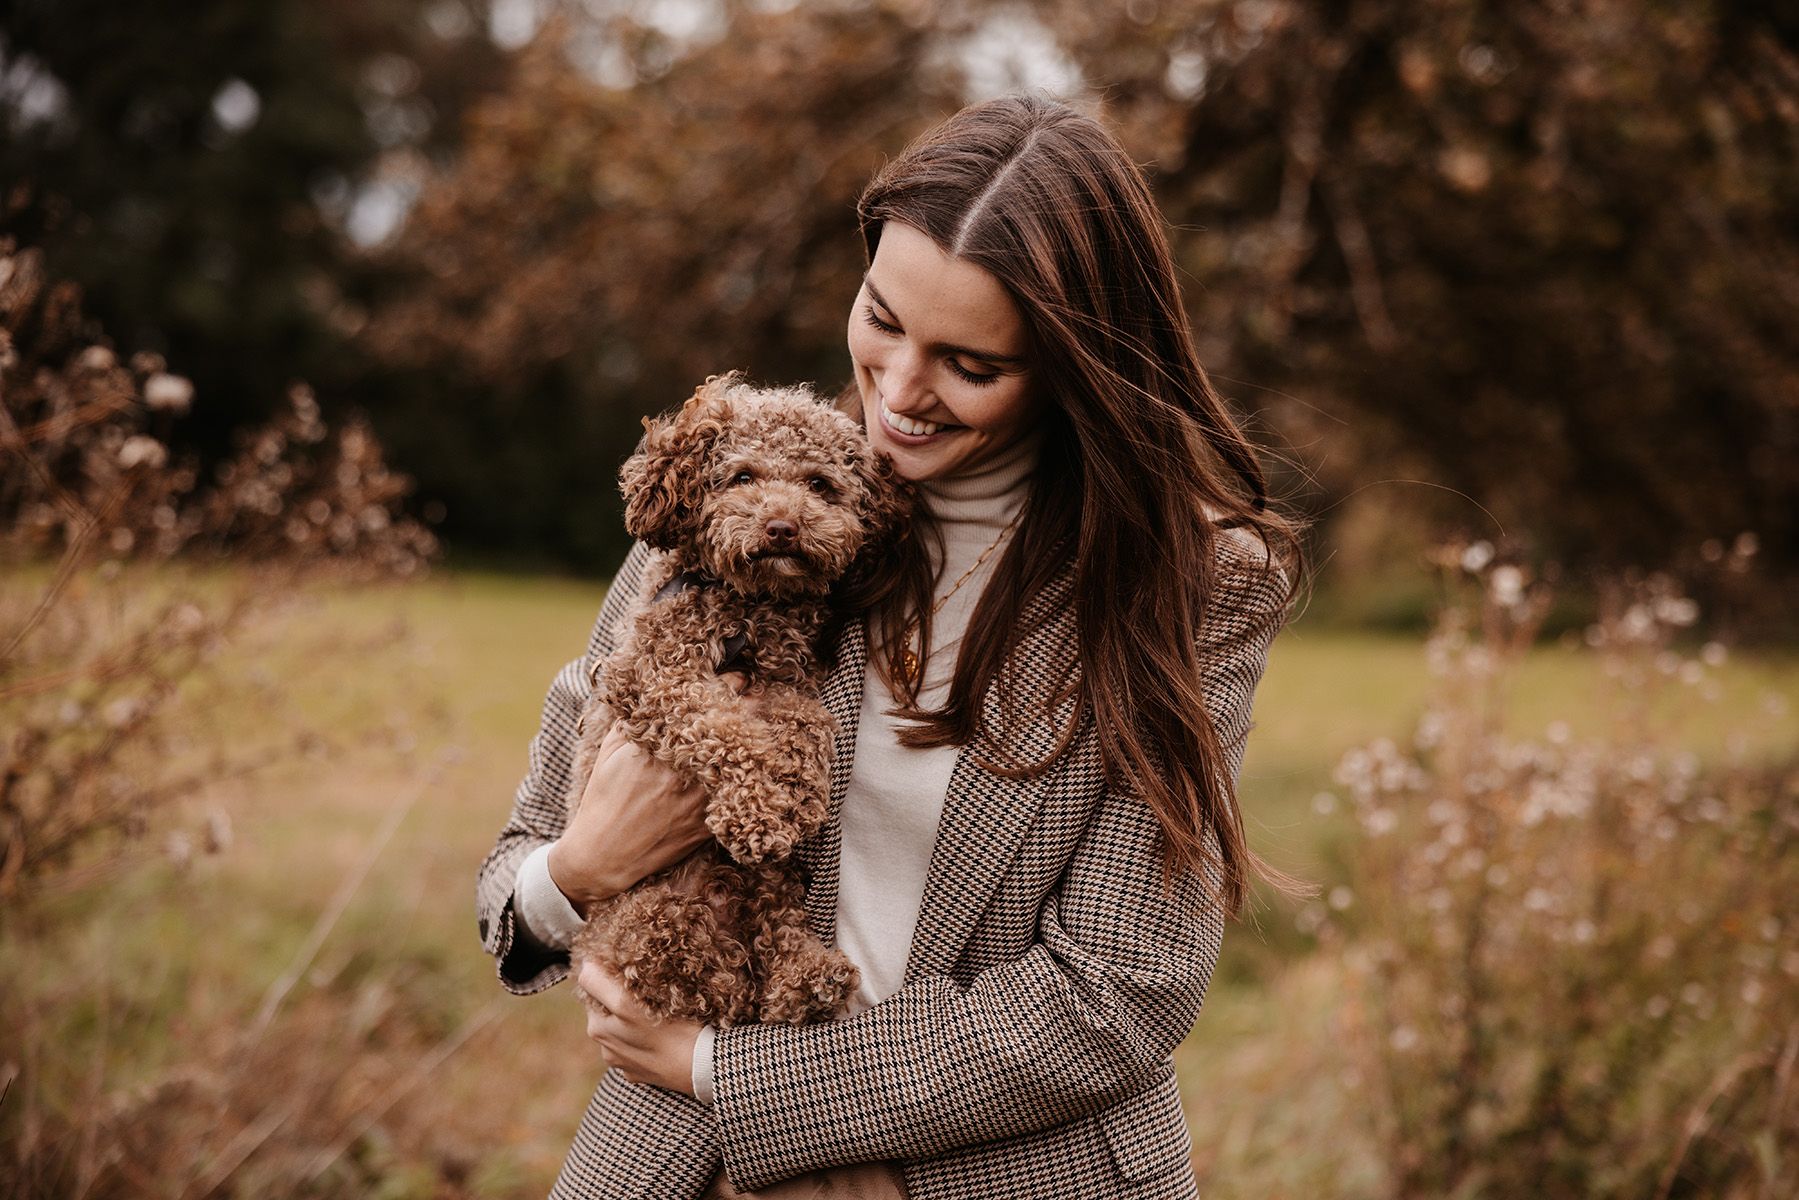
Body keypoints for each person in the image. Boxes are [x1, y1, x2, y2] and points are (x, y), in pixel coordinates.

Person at [475, 91, 1304, 1200]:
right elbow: (523, 854)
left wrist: (737, 1074)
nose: (899, 394)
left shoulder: (1193, 586)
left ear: (1073, 364)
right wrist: (575, 873)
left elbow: (1121, 986)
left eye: (970, 365)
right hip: (674, 1164)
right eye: (880, 318)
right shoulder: (737, 498)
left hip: (1004, 1171)